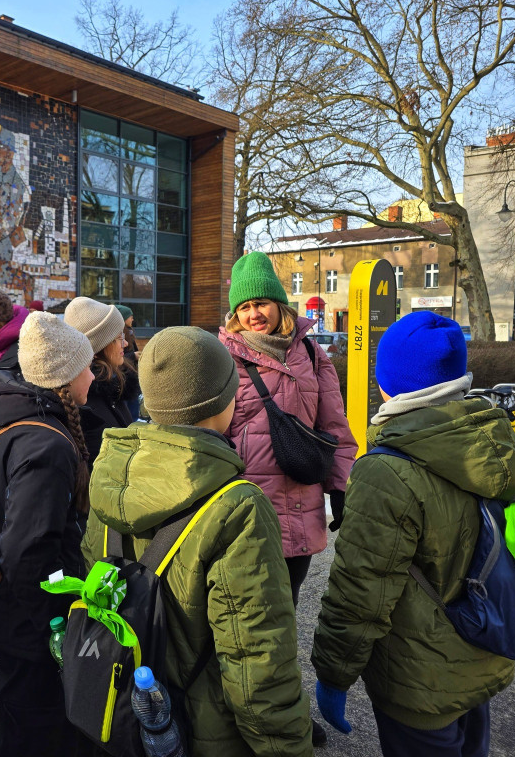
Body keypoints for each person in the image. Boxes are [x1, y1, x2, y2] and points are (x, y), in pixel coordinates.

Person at [83, 327, 313, 756]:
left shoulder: (111, 473)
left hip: (124, 708)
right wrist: (287, 746)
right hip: (206, 730)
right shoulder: (238, 505)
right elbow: (255, 659)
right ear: (223, 401)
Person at [312, 312, 515, 756]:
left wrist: (333, 674)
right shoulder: (496, 444)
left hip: (417, 681)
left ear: (387, 383)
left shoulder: (385, 471)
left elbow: (360, 591)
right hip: (483, 650)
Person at [220, 252, 354, 747]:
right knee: (243, 624)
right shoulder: (221, 358)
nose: (254, 313)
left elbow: (334, 429)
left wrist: (341, 486)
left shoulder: (313, 357)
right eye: (245, 306)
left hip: (299, 510)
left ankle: (285, 713)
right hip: (245, 512)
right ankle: (234, 712)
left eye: (262, 303)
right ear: (235, 313)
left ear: (280, 305)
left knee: (283, 622)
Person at [0, 311, 94, 757]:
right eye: (86, 367)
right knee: (35, 729)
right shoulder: (46, 444)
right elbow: (26, 550)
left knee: (17, 718)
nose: (92, 375)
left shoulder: (13, 422)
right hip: (30, 626)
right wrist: (55, 625)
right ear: (65, 376)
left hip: (10, 615)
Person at [63, 297, 132, 464]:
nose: (125, 343)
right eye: (119, 337)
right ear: (100, 346)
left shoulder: (112, 386)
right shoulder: (86, 400)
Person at [114, 304, 141, 419]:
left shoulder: (129, 332)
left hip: (130, 376)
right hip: (124, 376)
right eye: (131, 317)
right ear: (124, 318)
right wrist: (133, 355)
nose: (132, 319)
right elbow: (118, 356)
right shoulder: (120, 333)